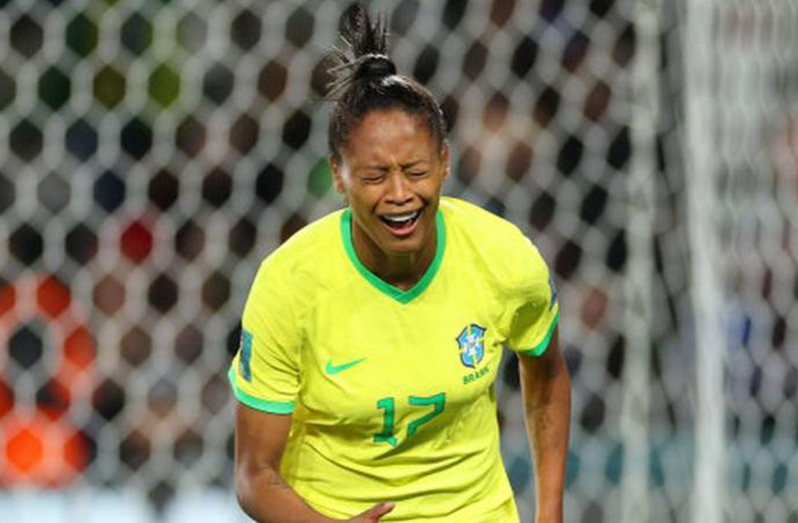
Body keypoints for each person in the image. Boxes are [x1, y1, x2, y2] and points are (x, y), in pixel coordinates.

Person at [228, 4, 570, 522]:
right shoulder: (289, 286)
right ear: (338, 177)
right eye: (373, 177)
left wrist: (549, 515)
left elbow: (547, 375)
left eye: (415, 170)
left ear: (446, 163)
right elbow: (255, 477)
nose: (399, 195)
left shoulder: (504, 259)